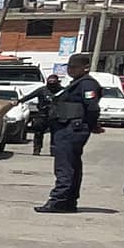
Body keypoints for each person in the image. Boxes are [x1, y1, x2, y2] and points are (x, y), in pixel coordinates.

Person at [36, 53, 103, 214]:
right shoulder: (76, 83)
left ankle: (59, 200)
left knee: (64, 166)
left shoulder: (87, 84)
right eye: (69, 67)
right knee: (71, 164)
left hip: (72, 128)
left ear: (85, 68)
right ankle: (68, 201)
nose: (70, 70)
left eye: (74, 67)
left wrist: (92, 124)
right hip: (66, 127)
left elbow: (92, 107)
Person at [21, 74, 62, 155]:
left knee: (55, 134)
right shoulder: (42, 90)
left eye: (54, 84)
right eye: (50, 84)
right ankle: (37, 149)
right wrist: (19, 101)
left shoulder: (62, 91)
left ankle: (54, 151)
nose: (52, 86)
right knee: (38, 133)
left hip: (56, 116)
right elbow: (29, 96)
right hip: (42, 115)